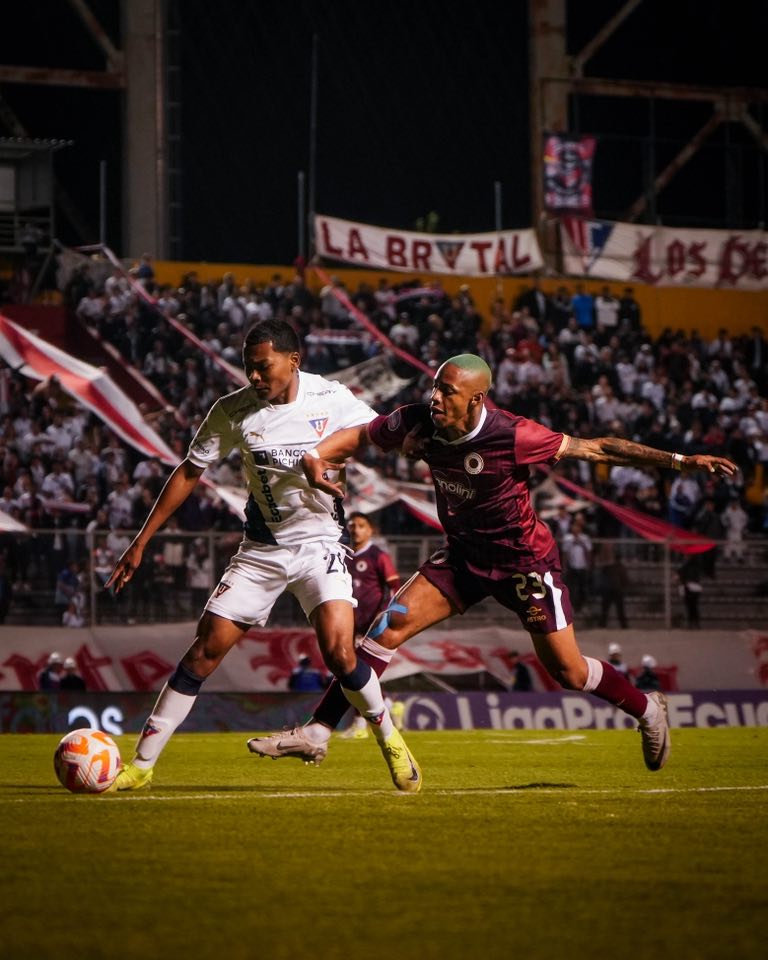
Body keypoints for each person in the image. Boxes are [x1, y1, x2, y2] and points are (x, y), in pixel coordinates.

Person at [249, 353, 738, 774]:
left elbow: (598, 448)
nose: (435, 397)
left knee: (567, 671)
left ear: (477, 399)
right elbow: (359, 436)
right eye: (434, 386)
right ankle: (318, 731)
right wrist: (316, 457)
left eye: (447, 391)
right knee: (380, 633)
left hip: (524, 564)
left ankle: (646, 707)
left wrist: (680, 461)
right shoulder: (417, 421)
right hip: (462, 558)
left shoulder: (514, 435)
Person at [105, 318, 420, 793]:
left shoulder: (331, 399)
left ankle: (391, 741)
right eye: (248, 367)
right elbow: (190, 472)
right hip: (262, 550)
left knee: (338, 651)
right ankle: (142, 766)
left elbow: (377, 431)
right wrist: (141, 541)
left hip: (321, 544)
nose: (253, 377)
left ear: (294, 361)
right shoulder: (233, 410)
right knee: (203, 652)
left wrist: (408, 445)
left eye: (262, 367)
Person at [346, 512, 401, 639]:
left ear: (370, 531)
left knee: (368, 657)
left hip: (373, 620)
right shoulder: (343, 555)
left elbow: (394, 586)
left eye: (361, 526)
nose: (356, 530)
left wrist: (383, 614)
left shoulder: (378, 556)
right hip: (348, 619)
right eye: (352, 526)